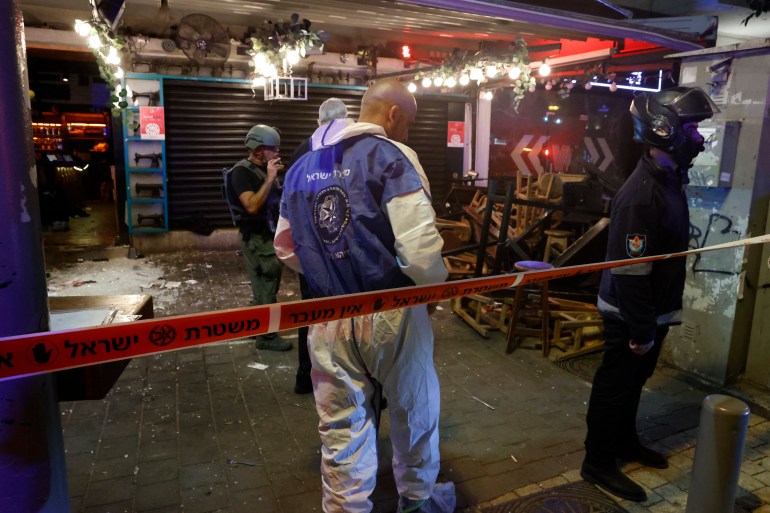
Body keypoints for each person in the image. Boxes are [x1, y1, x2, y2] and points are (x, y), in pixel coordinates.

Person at [274, 78, 456, 513]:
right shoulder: (393, 157)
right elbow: (419, 250)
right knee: (414, 410)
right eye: (409, 122)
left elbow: (285, 245)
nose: (409, 133)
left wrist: (327, 272)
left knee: (341, 423)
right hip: (393, 310)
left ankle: (345, 507)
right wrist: (432, 289)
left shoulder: (301, 167)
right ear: (393, 115)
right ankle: (417, 502)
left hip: (328, 315)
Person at [581, 86, 718, 502]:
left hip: (650, 312)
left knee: (634, 384)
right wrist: (641, 328)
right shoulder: (642, 195)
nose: (698, 137)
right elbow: (631, 270)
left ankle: (625, 442)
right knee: (614, 387)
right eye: (691, 128)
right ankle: (598, 463)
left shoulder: (669, 179)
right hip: (630, 314)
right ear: (664, 130)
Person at [287, 98, 352, 395]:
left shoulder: (302, 153)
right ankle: (347, 379)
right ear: (347, 119)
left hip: (310, 252)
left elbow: (289, 206)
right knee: (350, 316)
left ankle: (307, 377)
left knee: (312, 316)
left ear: (318, 121)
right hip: (347, 252)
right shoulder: (356, 151)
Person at [229, 124, 292, 351]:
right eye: (271, 149)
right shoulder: (241, 173)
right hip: (256, 237)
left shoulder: (264, 168)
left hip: (268, 233)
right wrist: (270, 178)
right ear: (257, 150)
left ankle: (253, 327)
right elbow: (252, 206)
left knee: (262, 285)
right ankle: (266, 337)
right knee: (266, 284)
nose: (276, 152)